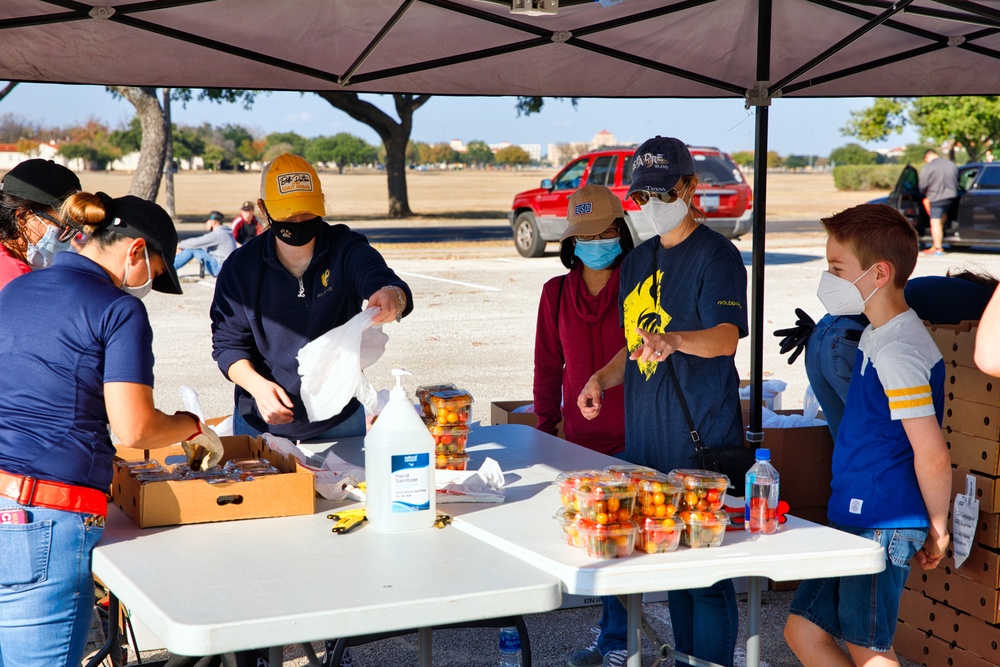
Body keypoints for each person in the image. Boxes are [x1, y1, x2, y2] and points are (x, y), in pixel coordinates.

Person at [0, 191, 223, 667]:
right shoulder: (118, 310)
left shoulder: (17, 289)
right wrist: (188, 426)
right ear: (137, 251)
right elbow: (135, 427)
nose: (148, 283)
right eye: (157, 272)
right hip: (46, 519)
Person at [574, 137, 747, 667]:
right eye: (641, 196)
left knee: (706, 575)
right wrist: (600, 379)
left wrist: (675, 339)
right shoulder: (639, 260)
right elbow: (635, 345)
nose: (651, 206)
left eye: (662, 193)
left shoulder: (716, 255)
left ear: (691, 188)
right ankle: (684, 661)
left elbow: (725, 338)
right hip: (647, 441)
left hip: (700, 441)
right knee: (672, 562)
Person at [784, 203, 951, 667]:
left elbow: (931, 452)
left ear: (879, 273)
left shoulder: (899, 350)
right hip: (854, 515)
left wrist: (937, 527)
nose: (828, 278)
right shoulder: (878, 335)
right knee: (803, 631)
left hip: (881, 520)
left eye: (837, 269)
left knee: (868, 647)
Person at [211, 154, 412, 440]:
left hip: (341, 418)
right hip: (262, 423)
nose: (299, 220)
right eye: (288, 214)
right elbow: (228, 344)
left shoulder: (346, 248)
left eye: (307, 212)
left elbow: (384, 280)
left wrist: (393, 296)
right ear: (263, 208)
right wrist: (258, 388)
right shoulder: (240, 268)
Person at [776, 269, 997, 441]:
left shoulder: (950, 290)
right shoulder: (989, 305)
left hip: (820, 335)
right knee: (879, 448)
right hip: (849, 338)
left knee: (848, 447)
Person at [533, 184, 633, 455]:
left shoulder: (639, 286)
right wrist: (546, 431)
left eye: (607, 232)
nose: (598, 240)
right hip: (577, 443)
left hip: (637, 443)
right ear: (573, 240)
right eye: (588, 234)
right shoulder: (555, 292)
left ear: (620, 233)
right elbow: (547, 368)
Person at [0, 158, 81, 290]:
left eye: (75, 229)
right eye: (63, 227)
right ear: (23, 217)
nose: (69, 240)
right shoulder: (17, 283)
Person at [918, 148, 958, 256]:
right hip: (951, 197)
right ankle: (939, 240)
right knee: (942, 219)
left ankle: (937, 247)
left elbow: (923, 185)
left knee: (934, 222)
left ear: (927, 157)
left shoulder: (928, 167)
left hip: (936, 196)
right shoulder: (951, 164)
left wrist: (924, 193)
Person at [173, 210, 237, 277]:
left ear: (213, 222)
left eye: (207, 221)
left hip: (220, 269)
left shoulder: (218, 234)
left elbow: (196, 242)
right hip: (226, 268)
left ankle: (170, 268)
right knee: (197, 248)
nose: (206, 223)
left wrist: (180, 245)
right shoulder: (226, 232)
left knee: (193, 249)